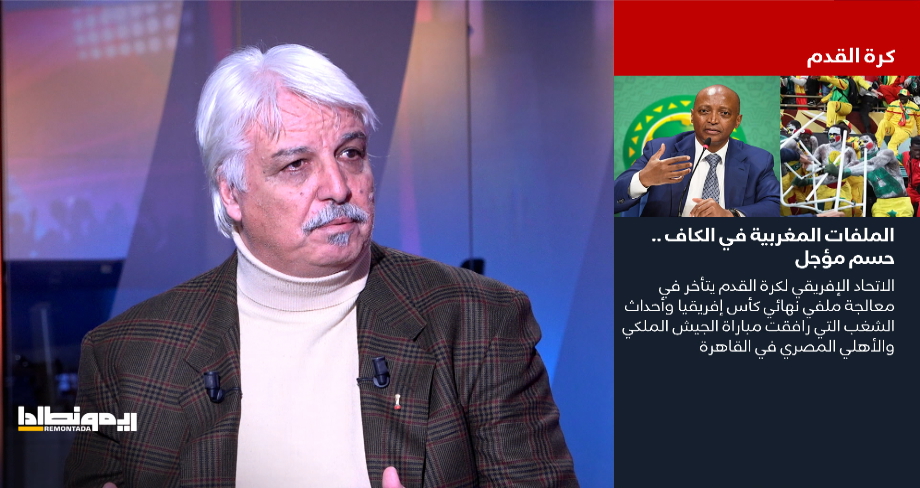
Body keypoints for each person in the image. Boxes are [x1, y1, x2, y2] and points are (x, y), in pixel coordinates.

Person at [64, 45, 577, 487]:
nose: (337, 187)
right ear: (232, 193)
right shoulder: (124, 357)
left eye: (351, 153)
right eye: (296, 165)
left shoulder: (479, 323)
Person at [614, 84, 780, 217]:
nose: (713, 120)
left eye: (724, 113)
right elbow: (612, 199)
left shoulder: (758, 160)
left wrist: (730, 215)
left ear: (737, 121)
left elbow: (773, 206)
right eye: (704, 111)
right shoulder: (661, 150)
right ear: (692, 116)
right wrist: (643, 179)